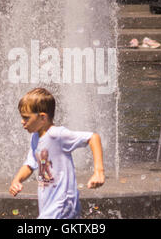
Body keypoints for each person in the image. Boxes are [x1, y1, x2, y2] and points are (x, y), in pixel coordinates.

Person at [9, 88, 105, 219]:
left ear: (43, 117)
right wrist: (17, 180)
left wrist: (98, 172)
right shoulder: (35, 137)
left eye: (26, 118)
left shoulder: (57, 135)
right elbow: (30, 164)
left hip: (62, 204)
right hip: (48, 204)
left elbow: (93, 137)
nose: (22, 122)